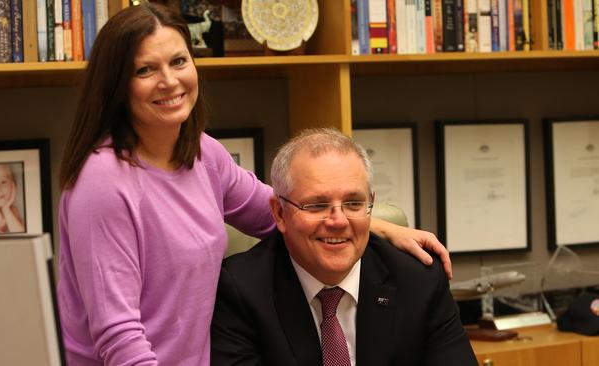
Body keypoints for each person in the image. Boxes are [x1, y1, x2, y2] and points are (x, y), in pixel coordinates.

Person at [57, 3, 453, 365]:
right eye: (145, 70)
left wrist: (380, 226)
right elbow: (118, 337)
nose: (169, 81)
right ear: (117, 86)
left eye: (179, 61)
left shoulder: (202, 154)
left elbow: (282, 212)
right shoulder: (103, 182)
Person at [211, 128, 476, 365]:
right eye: (316, 205)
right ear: (279, 213)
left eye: (353, 203)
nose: (338, 221)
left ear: (370, 203)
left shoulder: (418, 280)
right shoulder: (239, 291)